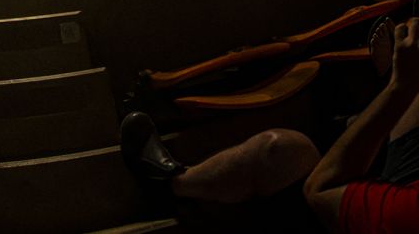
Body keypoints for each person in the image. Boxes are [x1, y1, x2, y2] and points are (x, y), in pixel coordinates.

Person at [120, 16, 419, 231]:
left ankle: (172, 184)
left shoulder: (406, 214)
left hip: (347, 204)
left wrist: (399, 89)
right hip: (401, 177)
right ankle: (385, 87)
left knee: (280, 150)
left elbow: (321, 190)